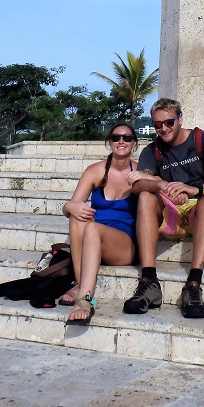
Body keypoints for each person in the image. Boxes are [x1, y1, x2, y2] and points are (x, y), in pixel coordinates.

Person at [124, 98, 204, 319]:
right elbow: (138, 184)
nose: (163, 128)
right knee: (145, 196)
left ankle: (193, 284)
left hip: (201, 212)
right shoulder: (153, 150)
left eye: (169, 122)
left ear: (180, 118)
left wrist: (192, 189)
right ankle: (149, 280)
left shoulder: (202, 140)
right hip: (171, 212)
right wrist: (162, 184)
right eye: (158, 124)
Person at [60, 121, 139, 325]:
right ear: (109, 142)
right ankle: (80, 283)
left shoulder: (139, 173)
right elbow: (68, 206)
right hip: (95, 238)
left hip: (125, 244)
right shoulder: (96, 171)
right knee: (78, 215)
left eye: (127, 138)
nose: (121, 141)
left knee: (92, 226)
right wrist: (71, 207)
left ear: (134, 144)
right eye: (116, 137)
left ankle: (86, 300)